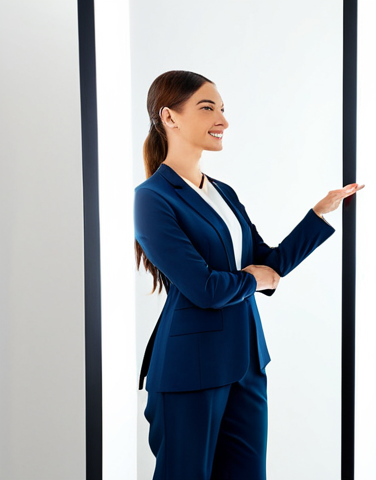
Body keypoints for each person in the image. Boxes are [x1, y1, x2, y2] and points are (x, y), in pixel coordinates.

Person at [134, 70, 362, 480]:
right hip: (190, 370)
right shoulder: (151, 198)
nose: (222, 120)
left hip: (247, 361)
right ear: (170, 117)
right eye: (208, 108)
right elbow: (204, 288)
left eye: (223, 109)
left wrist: (318, 215)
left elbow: (267, 262)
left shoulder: (223, 192)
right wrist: (255, 280)